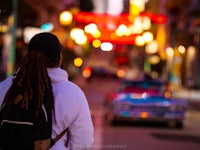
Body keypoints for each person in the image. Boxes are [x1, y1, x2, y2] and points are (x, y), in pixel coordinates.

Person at [0, 32, 94, 149]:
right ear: (59, 59)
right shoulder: (73, 93)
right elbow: (84, 142)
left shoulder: (6, 87)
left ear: (28, 57)